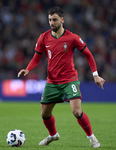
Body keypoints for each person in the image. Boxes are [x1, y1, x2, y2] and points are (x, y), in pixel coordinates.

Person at [18, 6, 105, 148]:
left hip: (69, 80)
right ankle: (53, 135)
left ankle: (92, 137)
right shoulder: (43, 37)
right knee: (44, 114)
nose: (52, 23)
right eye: (50, 20)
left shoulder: (72, 38)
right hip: (52, 81)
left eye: (55, 20)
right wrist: (27, 69)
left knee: (76, 111)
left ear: (62, 20)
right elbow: (36, 58)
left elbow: (88, 54)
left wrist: (95, 75)